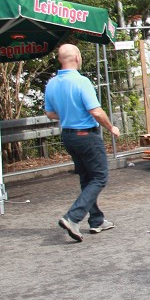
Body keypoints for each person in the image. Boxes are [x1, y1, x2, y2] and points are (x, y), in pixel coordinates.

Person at [44, 43, 121, 242]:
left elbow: (50, 113)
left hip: (68, 136)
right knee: (100, 177)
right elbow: (95, 111)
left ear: (60, 60)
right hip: (86, 136)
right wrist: (111, 127)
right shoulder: (81, 81)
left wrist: (67, 113)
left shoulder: (52, 83)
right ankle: (73, 217)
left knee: (87, 178)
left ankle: (96, 220)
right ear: (77, 58)